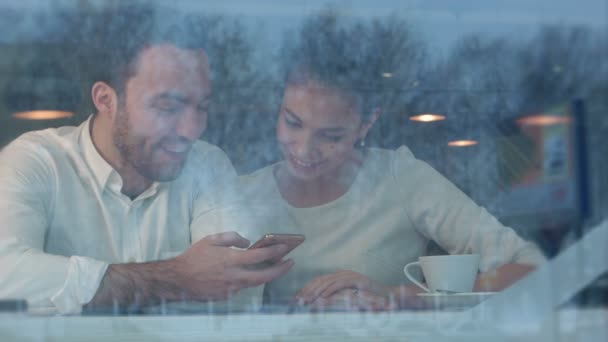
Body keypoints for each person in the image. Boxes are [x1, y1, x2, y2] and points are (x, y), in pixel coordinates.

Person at [0, 5, 293, 314]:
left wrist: (84, 289)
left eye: (202, 107)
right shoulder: (36, 160)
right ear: (106, 100)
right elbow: (6, 276)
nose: (191, 130)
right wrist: (177, 279)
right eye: (167, 107)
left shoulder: (208, 164)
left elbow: (235, 295)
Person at [237, 27, 546, 311]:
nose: (304, 149)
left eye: (331, 136)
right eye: (293, 123)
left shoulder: (400, 178)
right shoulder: (244, 194)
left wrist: (398, 297)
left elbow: (532, 268)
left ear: (367, 124)